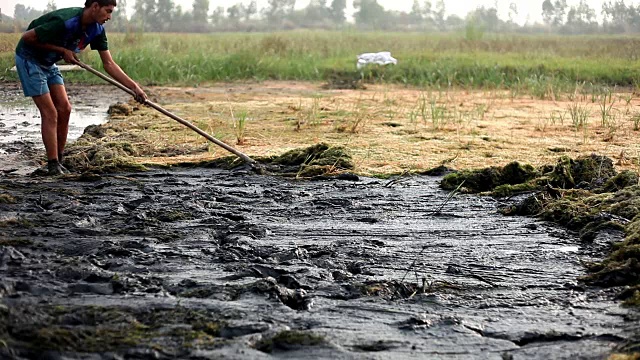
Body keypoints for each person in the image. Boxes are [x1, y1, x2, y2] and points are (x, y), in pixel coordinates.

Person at [14, 0, 147, 176]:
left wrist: (134, 87)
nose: (109, 17)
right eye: (107, 11)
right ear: (94, 7)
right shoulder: (65, 20)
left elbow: (108, 63)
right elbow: (27, 38)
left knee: (65, 108)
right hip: (29, 59)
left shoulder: (97, 29)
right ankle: (52, 165)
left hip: (49, 62)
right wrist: (62, 50)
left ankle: (59, 160)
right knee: (50, 112)